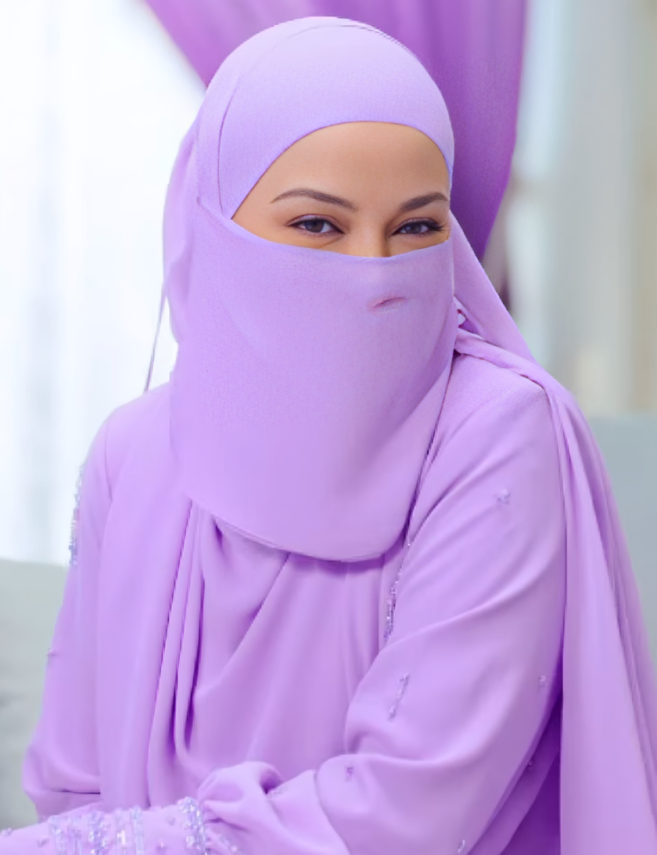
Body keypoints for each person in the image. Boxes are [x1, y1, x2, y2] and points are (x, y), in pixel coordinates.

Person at [2, 16, 656, 855]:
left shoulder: (497, 435)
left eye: (416, 227)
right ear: (214, 221)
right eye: (317, 225)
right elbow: (72, 784)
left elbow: (403, 814)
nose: (371, 271)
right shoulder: (132, 456)